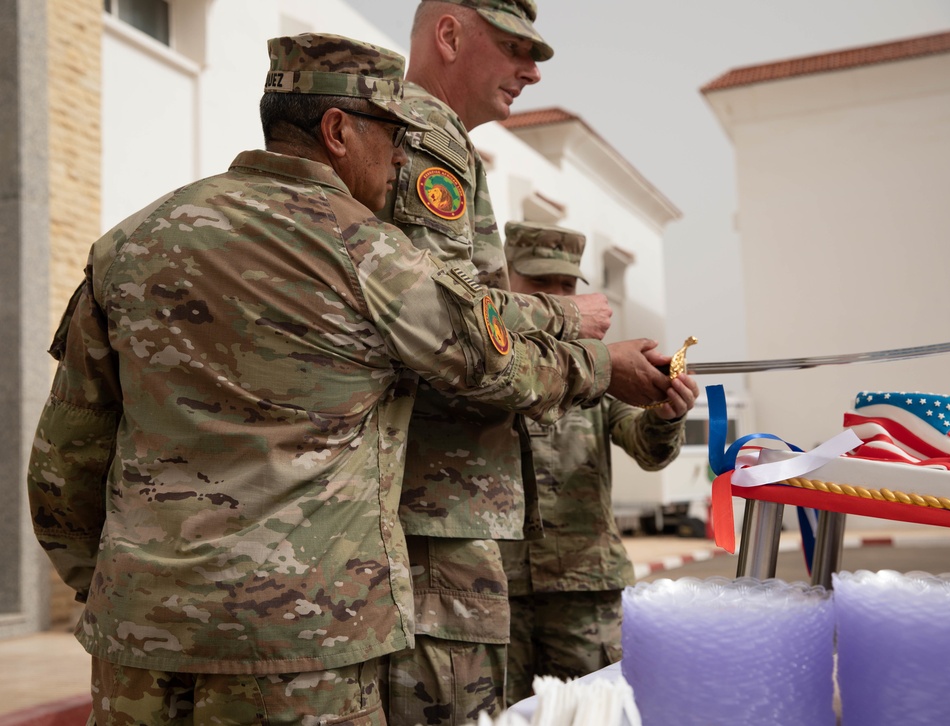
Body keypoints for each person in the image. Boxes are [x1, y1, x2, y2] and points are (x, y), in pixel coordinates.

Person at [25, 34, 670, 726]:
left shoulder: (129, 243)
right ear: (337, 131)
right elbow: (501, 366)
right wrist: (604, 365)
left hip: (136, 646)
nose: (401, 161)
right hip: (301, 647)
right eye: (393, 139)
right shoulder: (369, 254)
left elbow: (62, 468)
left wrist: (114, 592)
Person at [377, 2, 676, 724]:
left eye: (564, 289)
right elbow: (454, 342)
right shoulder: (420, 145)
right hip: (442, 550)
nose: (532, 70)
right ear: (449, 34)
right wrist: (587, 348)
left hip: (557, 575)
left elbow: (641, 442)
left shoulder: (438, 148)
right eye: (512, 47)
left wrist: (655, 403)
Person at [499, 222, 700, 705]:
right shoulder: (487, 361)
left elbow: (647, 448)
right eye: (540, 286)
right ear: (507, 282)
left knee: (593, 716)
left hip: (585, 586)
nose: (558, 298)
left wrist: (666, 416)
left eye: (568, 287)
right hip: (498, 586)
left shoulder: (606, 366)